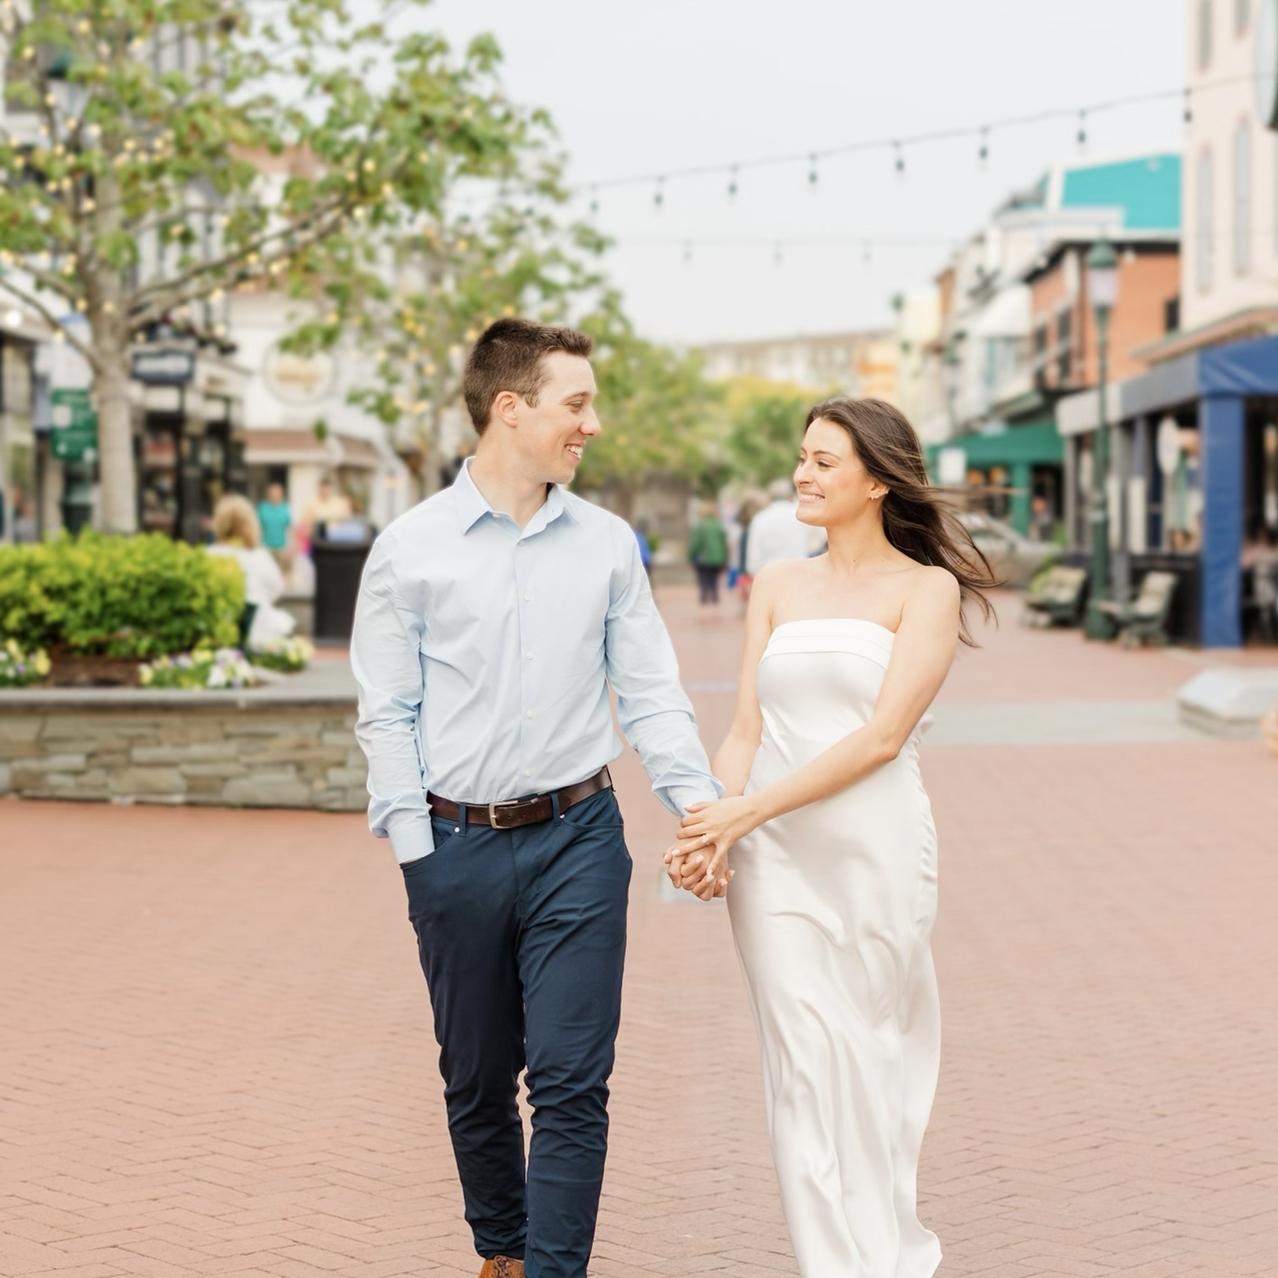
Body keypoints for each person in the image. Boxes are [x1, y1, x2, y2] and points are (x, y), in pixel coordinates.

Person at [350, 318, 721, 1278]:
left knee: (570, 1085)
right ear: (511, 410)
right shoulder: (409, 549)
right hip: (454, 847)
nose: (591, 424)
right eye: (576, 403)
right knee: (475, 1081)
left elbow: (649, 695)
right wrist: (415, 852)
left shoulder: (606, 545)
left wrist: (700, 806)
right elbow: (385, 713)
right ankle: (502, 1251)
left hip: (580, 840)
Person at [666, 397, 995, 1278]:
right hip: (774, 862)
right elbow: (743, 727)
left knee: (873, 1052)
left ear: (878, 481)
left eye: (822, 462)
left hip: (875, 851)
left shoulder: (926, 590)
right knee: (803, 1062)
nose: (801, 476)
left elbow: (884, 737)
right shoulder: (775, 582)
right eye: (802, 458)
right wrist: (713, 824)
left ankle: (889, 1246)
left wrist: (746, 813)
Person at [207, 495, 297, 650]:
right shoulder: (259, 557)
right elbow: (277, 589)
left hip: (218, 633)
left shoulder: (209, 555)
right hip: (260, 633)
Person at [744, 475, 825, 577]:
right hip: (799, 575)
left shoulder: (760, 519)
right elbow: (818, 541)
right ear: (791, 495)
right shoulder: (801, 514)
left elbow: (753, 560)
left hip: (769, 578)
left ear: (770, 497)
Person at [686, 500, 728, 615]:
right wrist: (725, 559)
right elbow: (724, 543)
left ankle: (703, 612)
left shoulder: (700, 525)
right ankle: (715, 610)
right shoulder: (719, 525)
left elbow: (695, 544)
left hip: (703, 559)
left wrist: (690, 557)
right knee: (714, 583)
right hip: (717, 559)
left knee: (703, 583)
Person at [301, 475, 353, 542]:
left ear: (331, 488)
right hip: (319, 541)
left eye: (327, 488)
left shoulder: (341, 503)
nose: (325, 490)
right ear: (319, 488)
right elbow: (305, 525)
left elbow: (349, 522)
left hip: (339, 540)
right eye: (323, 488)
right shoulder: (312, 505)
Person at [257, 481, 293, 564]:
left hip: (281, 548)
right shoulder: (262, 508)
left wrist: (290, 547)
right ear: (269, 494)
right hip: (266, 548)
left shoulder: (285, 509)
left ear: (281, 494)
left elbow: (290, 529)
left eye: (277, 492)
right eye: (273, 492)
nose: (275, 495)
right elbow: (257, 528)